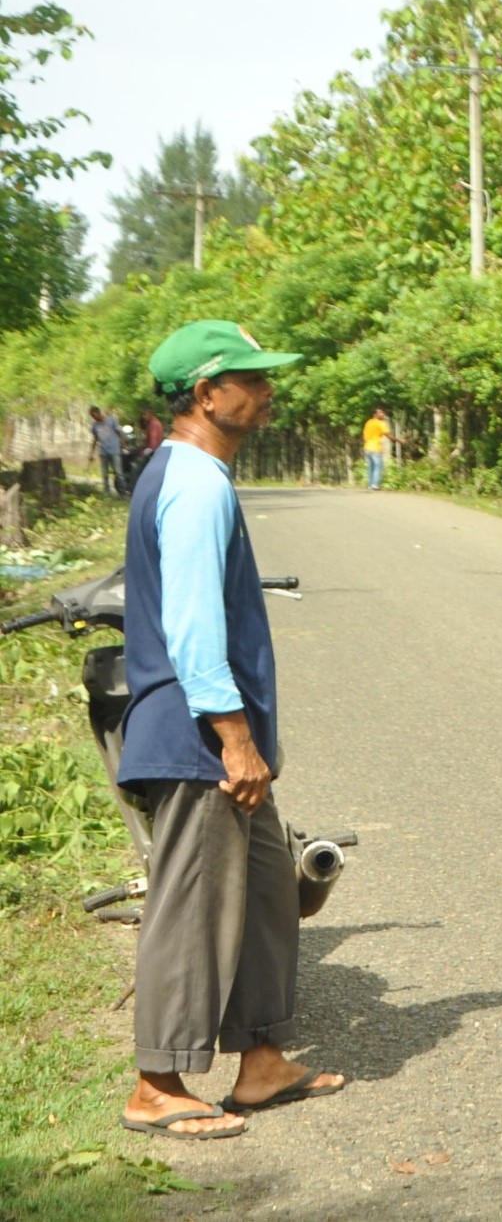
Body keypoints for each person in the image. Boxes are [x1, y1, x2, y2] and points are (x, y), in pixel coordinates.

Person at [117, 320, 348, 1141]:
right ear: (206, 395)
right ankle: (156, 1081)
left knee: (260, 898)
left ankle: (260, 1061)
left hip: (209, 737)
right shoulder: (195, 483)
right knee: (192, 907)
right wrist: (236, 738)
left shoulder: (193, 472)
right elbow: (191, 627)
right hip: (196, 742)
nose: (268, 390)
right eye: (250, 378)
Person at [90, 404, 125, 496]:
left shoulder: (112, 420)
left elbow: (119, 433)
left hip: (114, 450)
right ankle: (106, 492)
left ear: (98, 413)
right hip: (103, 452)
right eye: (92, 417)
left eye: (94, 416)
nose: (94, 418)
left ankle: (122, 492)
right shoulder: (95, 426)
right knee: (105, 474)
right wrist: (91, 453)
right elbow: (95, 439)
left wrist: (124, 445)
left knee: (118, 472)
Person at [359, 408, 392, 491]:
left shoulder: (368, 422)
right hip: (376, 448)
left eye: (382, 412)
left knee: (371, 467)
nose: (382, 414)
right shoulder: (380, 423)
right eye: (380, 413)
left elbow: (364, 436)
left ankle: (370, 484)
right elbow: (388, 435)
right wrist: (399, 441)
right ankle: (375, 485)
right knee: (377, 467)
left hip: (367, 447)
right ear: (375, 415)